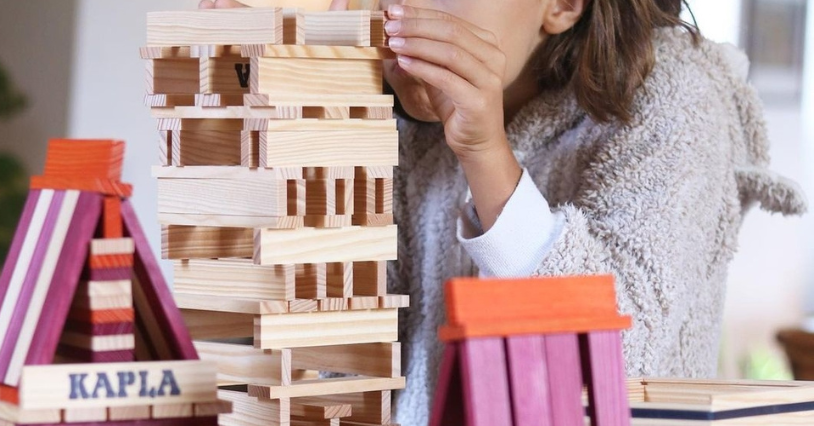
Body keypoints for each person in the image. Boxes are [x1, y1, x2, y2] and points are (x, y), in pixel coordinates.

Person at [201, 1, 807, 424]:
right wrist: (289, 133)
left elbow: (619, 363)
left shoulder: (673, 95)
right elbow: (331, 381)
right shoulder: (399, 121)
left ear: (565, 4)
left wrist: (487, 155)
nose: (404, 12)